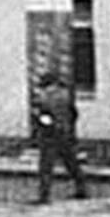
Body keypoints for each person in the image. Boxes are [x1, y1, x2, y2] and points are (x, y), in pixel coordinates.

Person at [35, 72, 88, 204]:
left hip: (50, 136)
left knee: (46, 166)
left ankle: (44, 196)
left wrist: (41, 126)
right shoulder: (66, 95)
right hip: (65, 133)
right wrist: (68, 127)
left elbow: (44, 117)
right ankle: (81, 189)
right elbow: (74, 113)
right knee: (71, 162)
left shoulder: (45, 98)